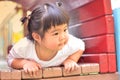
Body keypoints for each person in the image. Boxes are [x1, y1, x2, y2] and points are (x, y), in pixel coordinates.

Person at [7, 2, 85, 76]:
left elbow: (81, 46)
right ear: (37, 37)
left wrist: (70, 60)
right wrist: (25, 63)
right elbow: (10, 59)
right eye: (56, 33)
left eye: (65, 30)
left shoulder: (69, 43)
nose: (63, 37)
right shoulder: (24, 46)